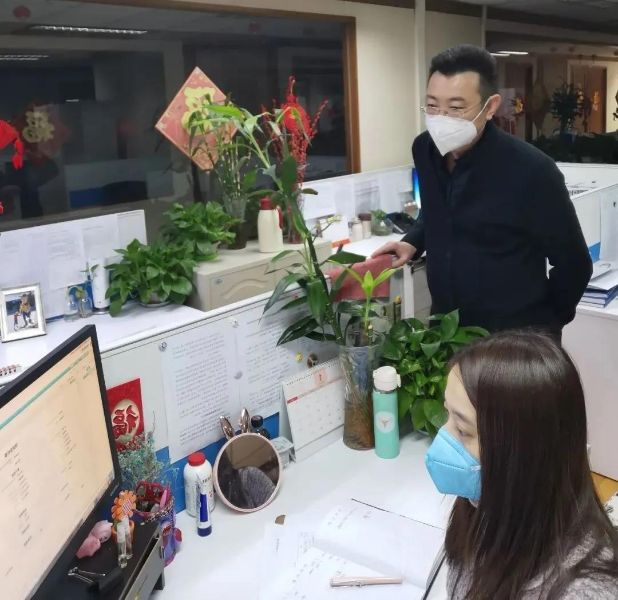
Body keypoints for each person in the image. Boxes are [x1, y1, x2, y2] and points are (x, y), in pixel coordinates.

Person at [372, 45, 592, 336]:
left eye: (456, 108)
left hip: (511, 338)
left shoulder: (532, 170)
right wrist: (412, 241)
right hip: (446, 328)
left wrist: (544, 328)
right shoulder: (424, 149)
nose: (441, 118)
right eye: (433, 106)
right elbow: (439, 207)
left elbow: (574, 264)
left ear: (490, 107)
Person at [425, 331, 618, 599]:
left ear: (521, 453)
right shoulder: (481, 508)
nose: (443, 438)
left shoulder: (581, 592)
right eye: (448, 415)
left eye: (462, 429)